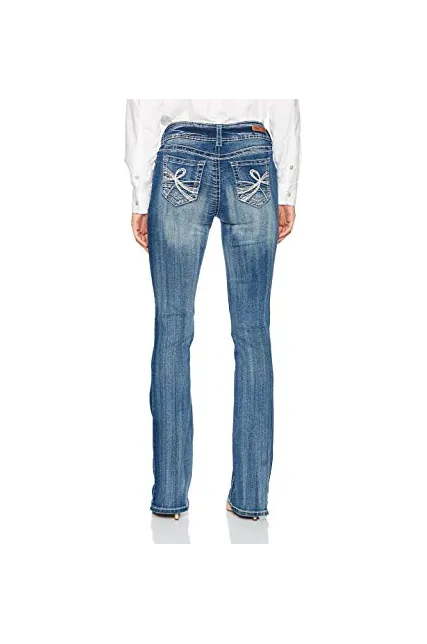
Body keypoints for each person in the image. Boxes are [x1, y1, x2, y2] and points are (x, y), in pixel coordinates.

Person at [125, 96, 301, 521]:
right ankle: (251, 498)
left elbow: (142, 107)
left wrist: (141, 197)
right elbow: (285, 103)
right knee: (253, 333)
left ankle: (169, 496)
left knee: (172, 329)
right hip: (253, 157)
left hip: (179, 159)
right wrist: (288, 187)